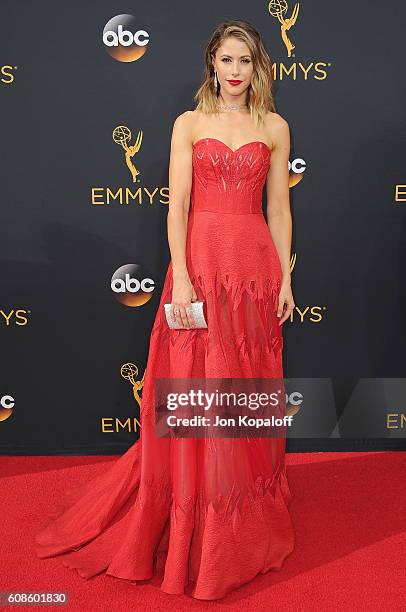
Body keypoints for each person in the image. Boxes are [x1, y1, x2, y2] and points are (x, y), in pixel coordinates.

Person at [35, 19, 296, 600]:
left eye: (245, 62)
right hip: (199, 266)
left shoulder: (275, 127)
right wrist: (180, 277)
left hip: (254, 273)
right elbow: (176, 206)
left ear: (258, 69)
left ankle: (237, 516)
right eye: (226, 61)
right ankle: (189, 510)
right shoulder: (189, 123)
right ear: (212, 64)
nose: (234, 72)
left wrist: (285, 277)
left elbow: (279, 210)